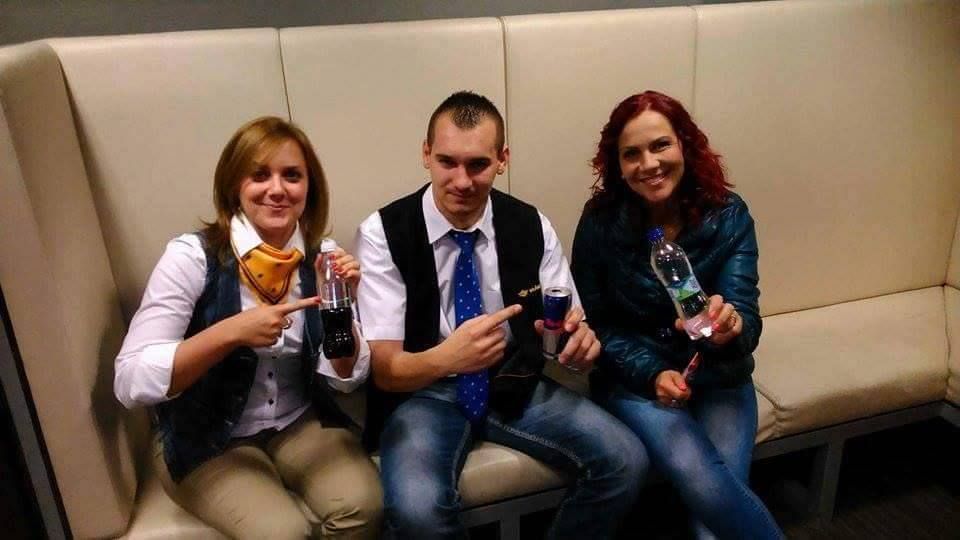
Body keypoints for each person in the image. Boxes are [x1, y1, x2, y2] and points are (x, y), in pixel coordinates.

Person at [355, 91, 647, 540]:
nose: (462, 181)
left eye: (478, 164)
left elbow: (567, 327)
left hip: (513, 380)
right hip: (423, 392)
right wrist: (450, 358)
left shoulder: (530, 224)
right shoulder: (382, 234)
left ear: (502, 160)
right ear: (426, 154)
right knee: (417, 511)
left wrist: (578, 345)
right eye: (447, 162)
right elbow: (387, 372)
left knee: (626, 460)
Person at [114, 116, 382, 539]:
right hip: (206, 438)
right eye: (259, 175)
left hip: (298, 421)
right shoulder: (192, 257)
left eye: (291, 175)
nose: (277, 189)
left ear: (309, 188)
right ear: (233, 186)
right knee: (284, 533)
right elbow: (129, 380)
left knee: (365, 506)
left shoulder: (323, 258)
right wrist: (230, 333)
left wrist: (340, 311)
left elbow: (345, 379)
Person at [571, 90, 783, 539]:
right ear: (617, 164)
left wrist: (729, 328)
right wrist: (652, 374)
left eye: (660, 145)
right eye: (632, 154)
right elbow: (598, 323)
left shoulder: (728, 216)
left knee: (712, 527)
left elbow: (745, 314)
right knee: (700, 475)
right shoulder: (600, 222)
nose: (648, 164)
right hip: (636, 381)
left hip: (719, 377)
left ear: (684, 145)